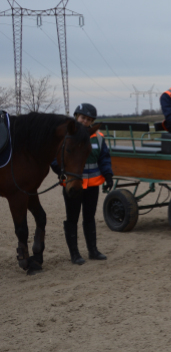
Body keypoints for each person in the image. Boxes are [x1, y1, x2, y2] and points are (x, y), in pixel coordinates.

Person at [55, 103, 112, 265]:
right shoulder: (66, 137)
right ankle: (75, 254)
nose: (85, 121)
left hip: (93, 184)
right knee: (72, 218)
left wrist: (108, 175)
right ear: (76, 117)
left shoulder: (98, 138)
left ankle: (93, 250)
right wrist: (58, 170)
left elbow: (104, 158)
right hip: (73, 185)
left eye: (88, 119)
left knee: (89, 217)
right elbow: (55, 158)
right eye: (82, 118)